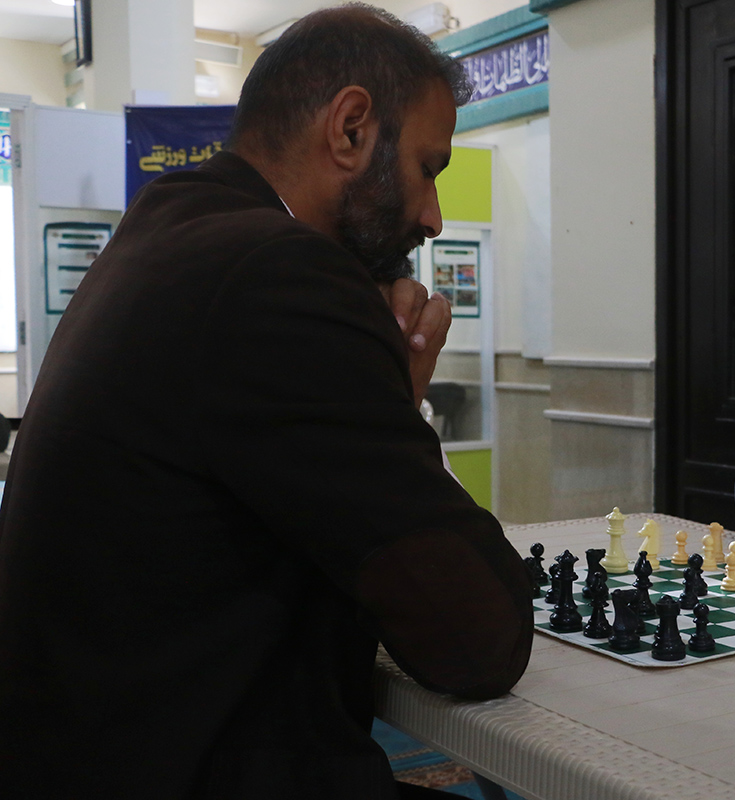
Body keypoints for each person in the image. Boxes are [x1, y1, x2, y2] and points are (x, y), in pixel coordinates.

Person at [0, 6, 533, 798]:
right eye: (428, 168)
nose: (433, 216)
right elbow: (478, 641)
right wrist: (397, 405)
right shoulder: (280, 276)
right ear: (350, 129)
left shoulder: (171, 225)